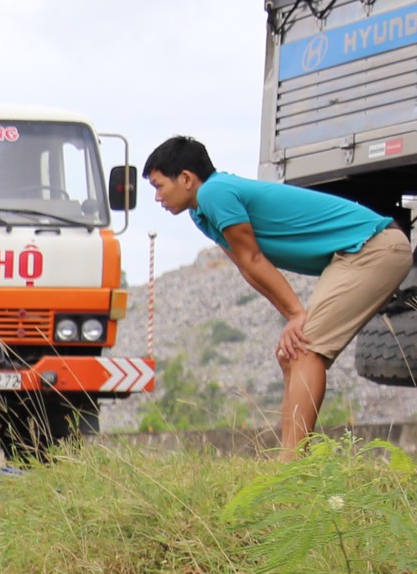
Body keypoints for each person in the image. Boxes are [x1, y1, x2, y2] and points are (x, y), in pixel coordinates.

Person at [143, 135, 413, 454]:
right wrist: (293, 315)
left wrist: (297, 315)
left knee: (304, 349)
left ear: (186, 178)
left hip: (373, 248)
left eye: (159, 186)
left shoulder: (215, 192)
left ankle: (292, 466)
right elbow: (248, 266)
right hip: (354, 254)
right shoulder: (201, 211)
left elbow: (254, 258)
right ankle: (292, 459)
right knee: (290, 353)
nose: (158, 197)